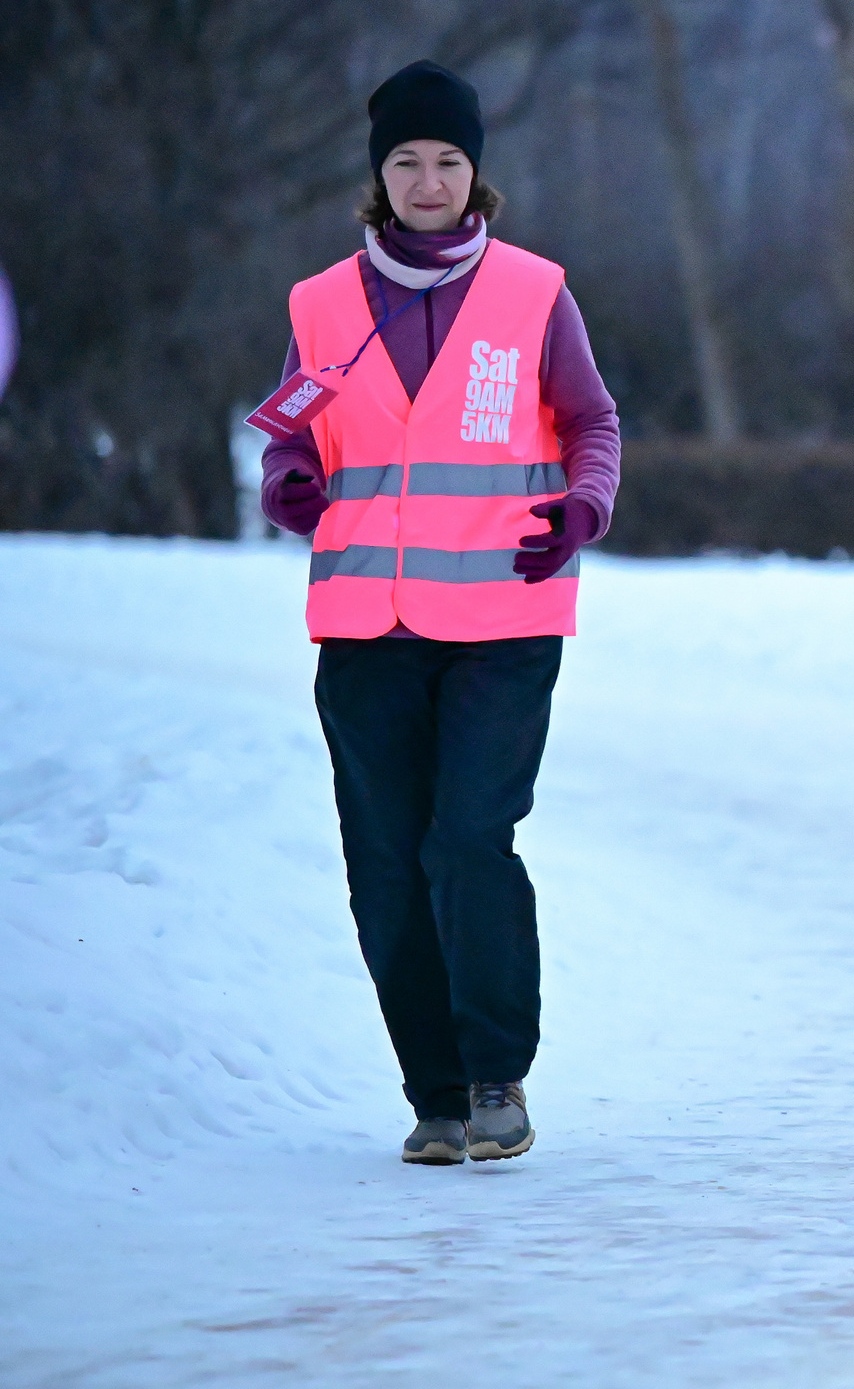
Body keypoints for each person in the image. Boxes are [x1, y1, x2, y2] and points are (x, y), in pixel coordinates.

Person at [257, 60, 621, 1165]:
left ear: (476, 175)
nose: (427, 181)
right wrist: (286, 483)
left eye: (447, 162)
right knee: (384, 859)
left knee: (469, 840)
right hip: (368, 627)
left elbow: (592, 420)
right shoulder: (322, 305)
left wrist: (585, 507)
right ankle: (434, 1094)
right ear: (380, 175)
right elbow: (289, 436)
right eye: (407, 162)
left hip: (504, 618)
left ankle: (497, 1073)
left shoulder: (532, 292)